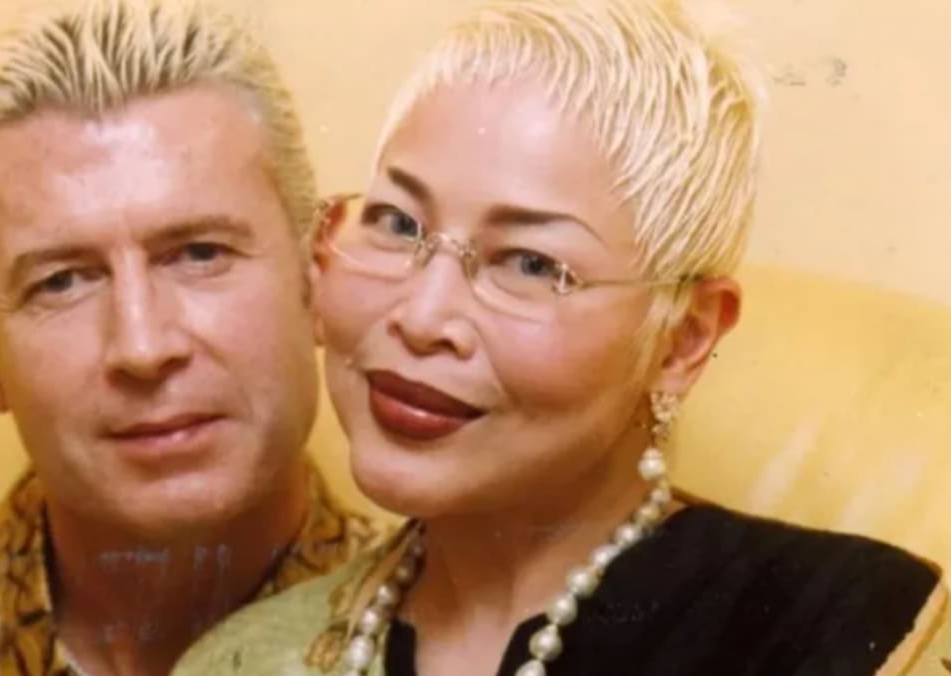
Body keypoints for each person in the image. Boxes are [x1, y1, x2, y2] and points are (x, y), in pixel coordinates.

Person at [172, 1, 951, 674]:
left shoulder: (848, 621)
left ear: (683, 340)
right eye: (398, 223)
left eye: (533, 264)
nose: (421, 315)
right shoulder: (242, 659)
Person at [0, 0, 387, 674]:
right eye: (61, 282)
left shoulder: (450, 640)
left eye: (200, 254)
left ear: (320, 276)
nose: (142, 347)